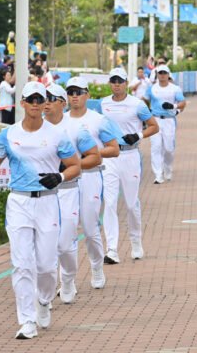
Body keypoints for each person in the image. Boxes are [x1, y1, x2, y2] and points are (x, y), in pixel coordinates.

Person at [0, 81, 81, 339]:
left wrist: (59, 177)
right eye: (31, 100)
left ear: (44, 102)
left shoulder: (57, 134)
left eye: (41, 99)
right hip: (19, 203)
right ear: (22, 103)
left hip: (49, 201)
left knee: (47, 266)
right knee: (22, 264)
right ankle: (27, 320)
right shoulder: (9, 134)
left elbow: (74, 166)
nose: (36, 104)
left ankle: (44, 300)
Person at [43, 84, 104, 303]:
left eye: (51, 98)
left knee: (66, 242)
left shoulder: (76, 128)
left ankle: (70, 277)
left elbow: (95, 157)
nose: (45, 103)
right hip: (42, 193)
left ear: (62, 102)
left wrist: (71, 165)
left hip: (68, 190)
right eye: (43, 98)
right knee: (45, 244)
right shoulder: (34, 128)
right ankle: (45, 294)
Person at [64, 78, 123, 291]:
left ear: (87, 94)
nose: (74, 96)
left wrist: (91, 153)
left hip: (90, 175)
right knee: (66, 230)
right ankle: (67, 280)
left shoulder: (98, 120)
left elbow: (114, 149)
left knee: (89, 229)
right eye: (70, 92)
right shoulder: (60, 122)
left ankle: (97, 266)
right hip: (67, 180)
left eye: (78, 92)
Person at [101, 67, 159, 264]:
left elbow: (154, 125)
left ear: (126, 83)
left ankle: (136, 242)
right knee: (109, 202)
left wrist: (139, 135)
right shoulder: (104, 104)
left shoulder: (137, 104)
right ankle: (111, 249)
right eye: (113, 80)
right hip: (110, 157)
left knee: (131, 202)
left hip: (130, 155)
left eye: (120, 80)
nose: (116, 84)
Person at [143, 65, 187, 184]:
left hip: (169, 120)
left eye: (164, 73)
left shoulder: (175, 89)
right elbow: (144, 100)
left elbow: (183, 103)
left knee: (168, 148)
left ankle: (168, 168)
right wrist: (147, 114)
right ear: (157, 74)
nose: (162, 75)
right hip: (155, 120)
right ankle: (158, 174)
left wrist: (174, 106)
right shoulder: (151, 89)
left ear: (168, 75)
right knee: (156, 147)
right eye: (160, 73)